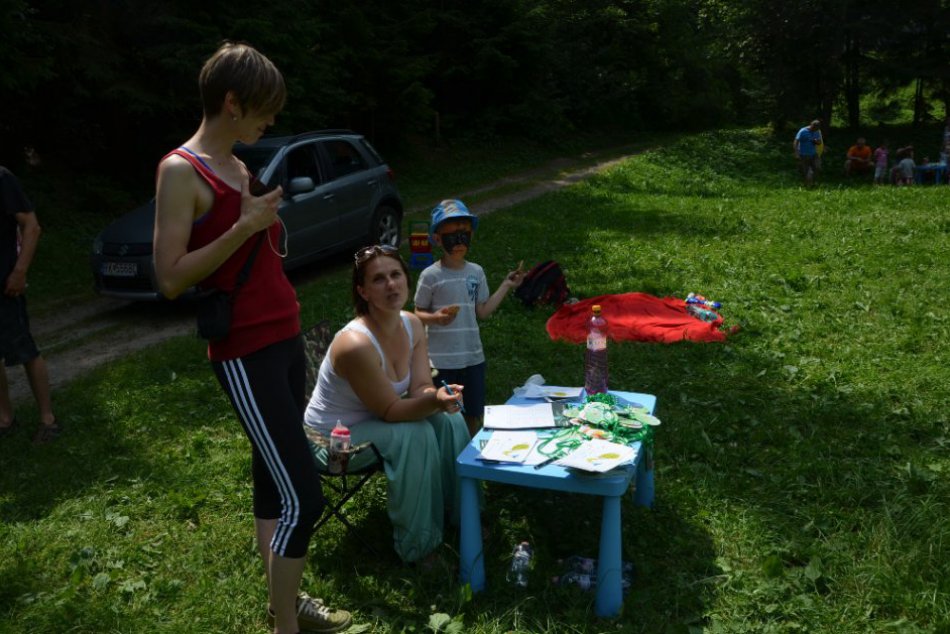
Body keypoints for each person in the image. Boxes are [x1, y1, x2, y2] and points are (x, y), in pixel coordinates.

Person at [152, 42, 351, 634]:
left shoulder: (240, 165)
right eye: (264, 109)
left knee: (273, 478)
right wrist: (244, 225)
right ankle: (284, 624)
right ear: (232, 102)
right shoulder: (181, 170)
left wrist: (258, 218)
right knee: (306, 498)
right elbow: (168, 278)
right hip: (243, 349)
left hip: (285, 335)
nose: (271, 121)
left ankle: (282, 603)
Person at [304, 245, 470, 564]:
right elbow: (392, 412)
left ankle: (463, 517)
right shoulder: (355, 344)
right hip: (333, 439)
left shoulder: (412, 324)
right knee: (414, 435)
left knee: (450, 420)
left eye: (396, 275)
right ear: (363, 291)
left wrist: (439, 400)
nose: (391, 284)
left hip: (376, 416)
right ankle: (420, 548)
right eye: (379, 280)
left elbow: (421, 386)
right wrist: (434, 401)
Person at [413, 200, 525, 436]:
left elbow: (482, 311)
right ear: (437, 239)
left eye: (464, 233)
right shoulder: (430, 275)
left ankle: (469, 456)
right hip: (441, 362)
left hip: (472, 358)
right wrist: (434, 318)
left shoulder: (476, 272)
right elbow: (417, 313)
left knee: (472, 413)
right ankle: (447, 459)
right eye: (452, 234)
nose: (459, 240)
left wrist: (506, 285)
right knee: (443, 417)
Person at [0, 165, 60, 444]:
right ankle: (5, 419)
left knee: (25, 349)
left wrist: (20, 271)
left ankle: (48, 420)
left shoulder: (2, 177)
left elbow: (32, 226)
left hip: (6, 285)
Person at [793, 119, 823, 186]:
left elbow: (819, 142)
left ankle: (814, 182)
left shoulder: (817, 131)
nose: (815, 130)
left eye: (817, 128)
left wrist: (816, 141)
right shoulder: (802, 131)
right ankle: (808, 185)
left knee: (818, 167)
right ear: (811, 125)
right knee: (806, 171)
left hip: (814, 154)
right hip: (803, 154)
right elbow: (796, 142)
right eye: (814, 128)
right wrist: (796, 153)